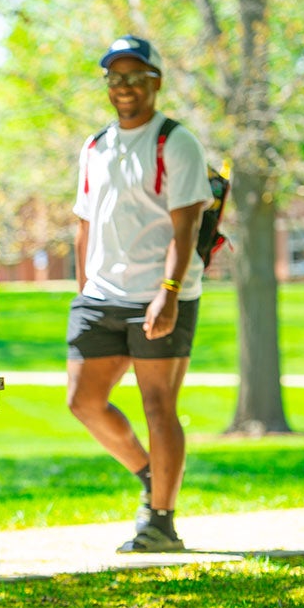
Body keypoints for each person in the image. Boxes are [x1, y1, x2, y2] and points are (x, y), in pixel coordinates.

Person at [68, 37, 214, 554]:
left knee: (158, 405)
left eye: (134, 77)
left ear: (155, 81)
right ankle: (153, 473)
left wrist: (169, 293)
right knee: (83, 401)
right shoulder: (95, 146)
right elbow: (85, 222)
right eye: (115, 78)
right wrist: (83, 286)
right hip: (103, 294)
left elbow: (187, 226)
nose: (124, 87)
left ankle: (161, 522)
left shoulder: (175, 142)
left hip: (162, 290)